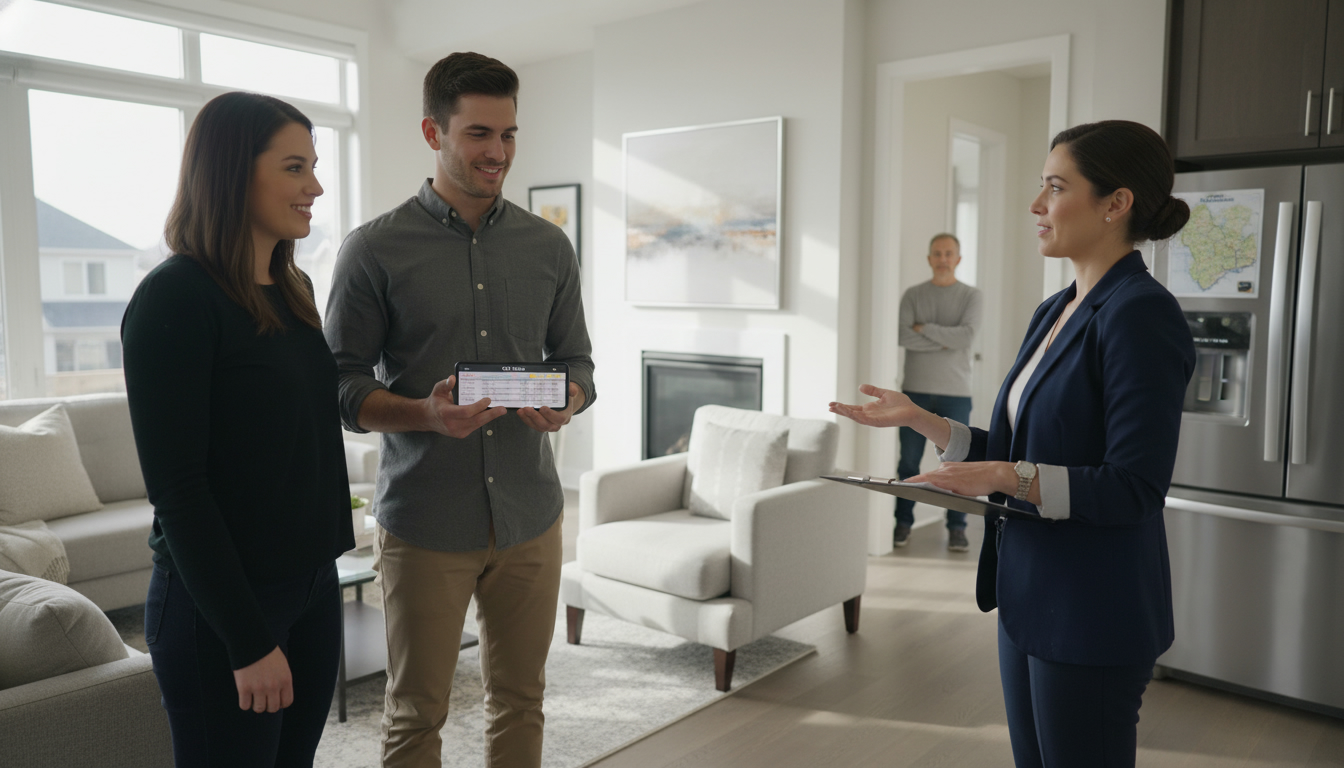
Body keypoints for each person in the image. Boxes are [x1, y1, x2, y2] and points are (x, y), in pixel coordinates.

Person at [831, 120, 1195, 767]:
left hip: (1091, 608)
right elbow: (1015, 444)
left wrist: (1004, 477)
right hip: (1030, 593)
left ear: (1116, 204)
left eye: (1055, 187)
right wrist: (925, 421)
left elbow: (1133, 487)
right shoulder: (1054, 309)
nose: (1036, 205)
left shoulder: (1141, 312)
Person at [324, 51, 595, 768]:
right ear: (431, 132)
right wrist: (425, 414)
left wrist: (565, 401)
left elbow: (579, 364)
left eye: (508, 134)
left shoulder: (548, 246)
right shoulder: (373, 251)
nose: (498, 152)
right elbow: (340, 386)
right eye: (479, 134)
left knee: (522, 699)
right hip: (425, 522)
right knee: (417, 712)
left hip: (530, 520)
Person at [122, 91, 354, 766]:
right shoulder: (175, 299)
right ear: (231, 172)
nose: (315, 186)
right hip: (221, 607)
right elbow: (180, 489)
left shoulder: (293, 289)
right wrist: (247, 640)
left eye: (312, 166)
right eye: (293, 167)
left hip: (312, 585)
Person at [893, 232, 983, 551]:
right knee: (908, 462)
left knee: (957, 465)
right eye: (937, 253)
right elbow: (904, 337)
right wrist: (945, 338)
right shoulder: (912, 295)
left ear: (958, 259)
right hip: (914, 391)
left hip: (955, 392)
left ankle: (956, 528)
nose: (942, 259)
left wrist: (925, 328)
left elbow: (966, 338)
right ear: (929, 258)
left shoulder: (972, 296)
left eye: (948, 254)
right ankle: (902, 524)